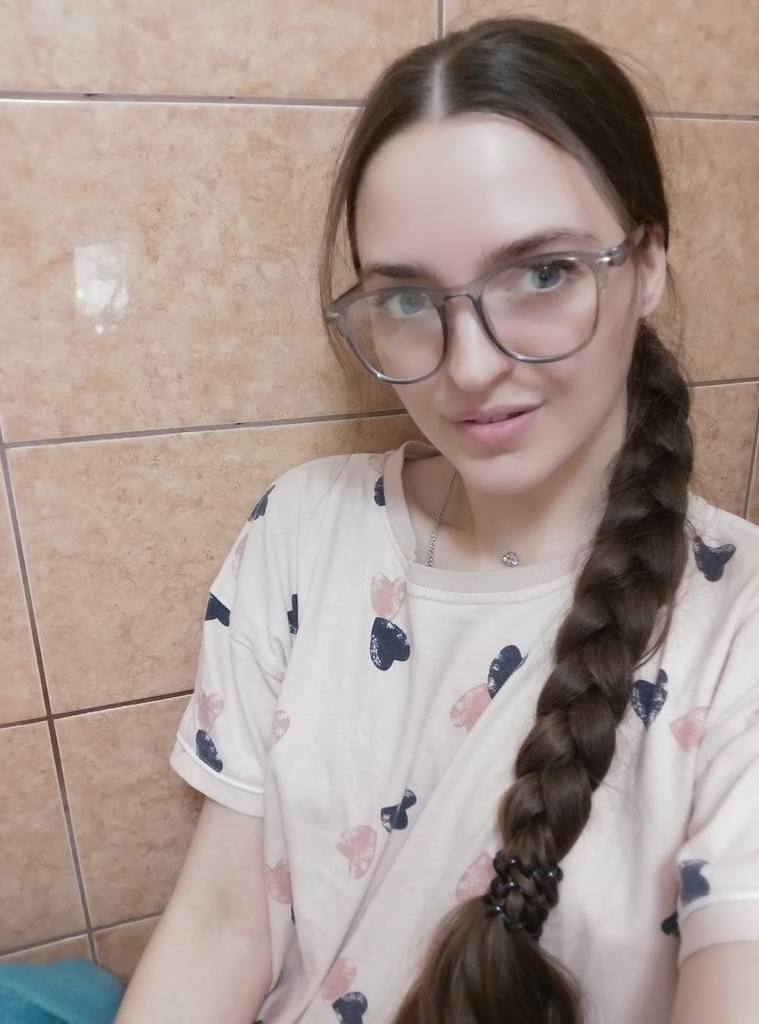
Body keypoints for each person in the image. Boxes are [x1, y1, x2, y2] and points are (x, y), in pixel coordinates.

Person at [114, 16, 759, 1024]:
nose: (470, 367)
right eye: (410, 298)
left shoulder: (737, 627)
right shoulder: (304, 534)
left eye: (541, 273)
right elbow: (223, 925)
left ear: (647, 264)